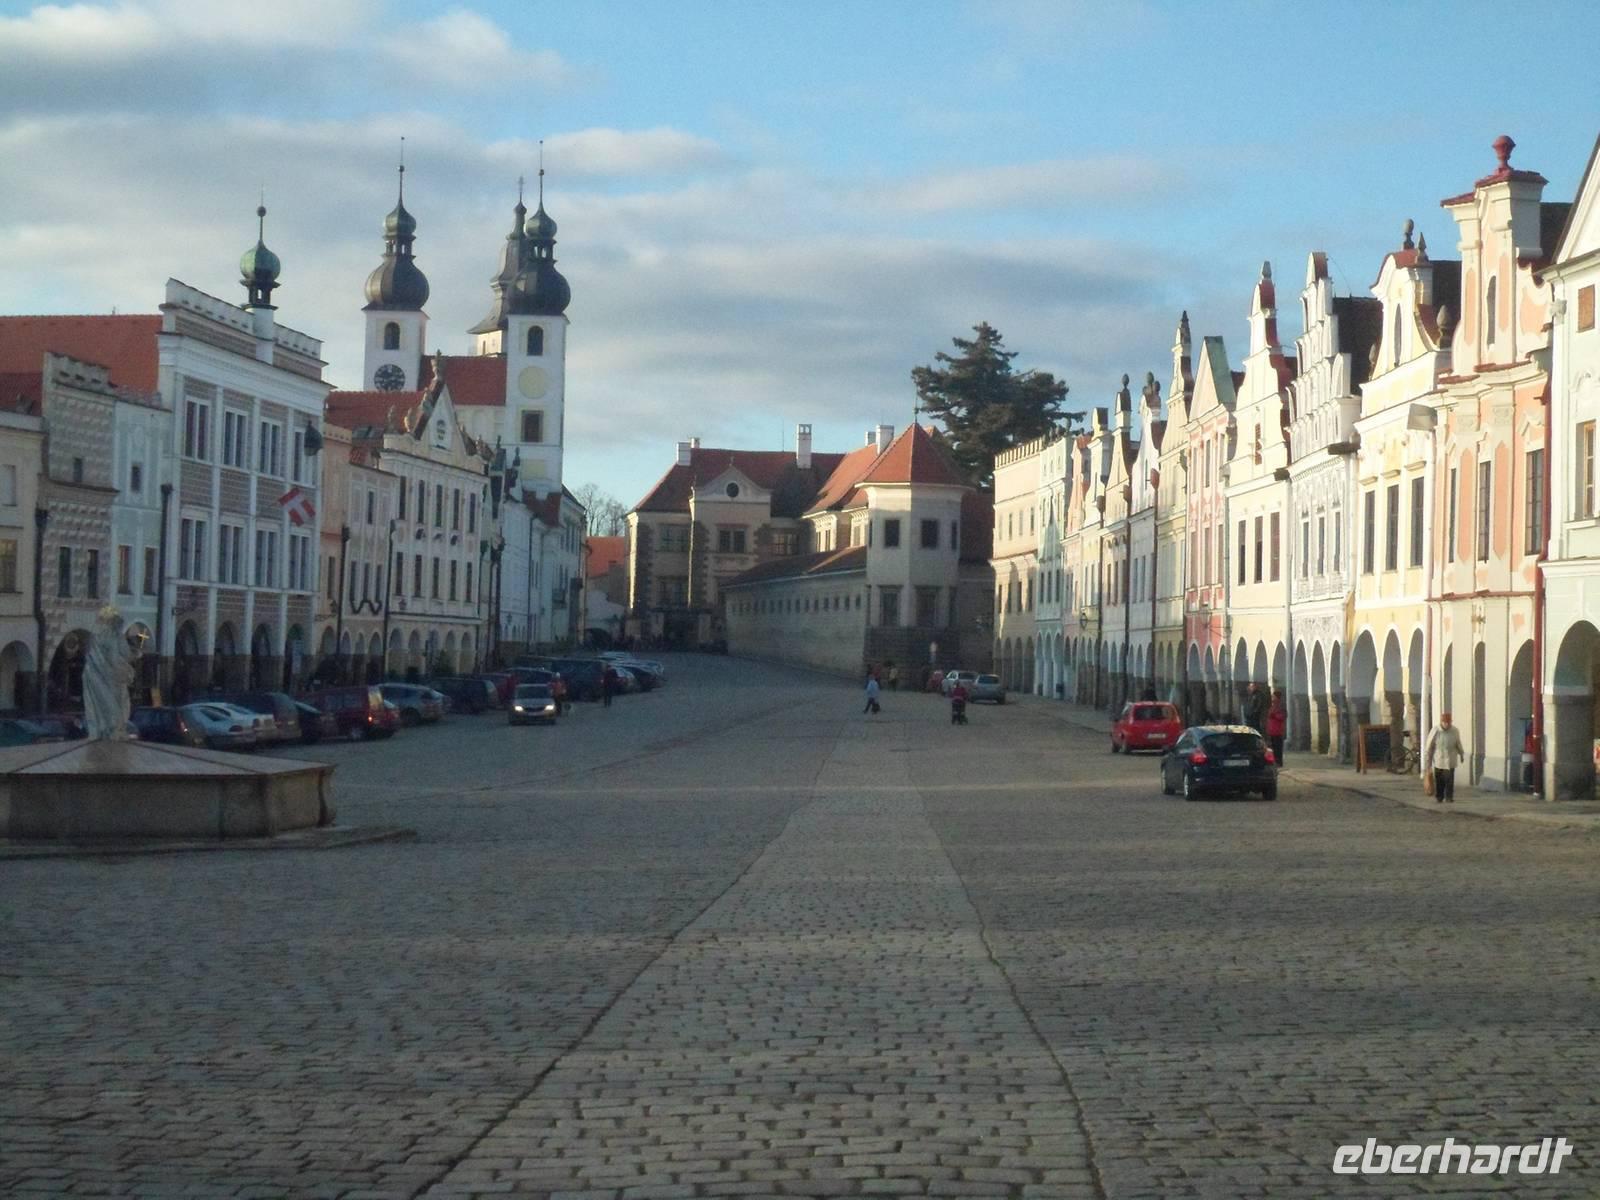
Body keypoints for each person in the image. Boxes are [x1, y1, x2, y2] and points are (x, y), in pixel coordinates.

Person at [1423, 711, 1466, 802]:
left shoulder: (1454, 730)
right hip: (1439, 758)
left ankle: (1449, 797)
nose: (1447, 724)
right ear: (1441, 722)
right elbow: (1429, 746)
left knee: (1449, 779)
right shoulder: (1436, 730)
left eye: (1448, 722)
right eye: (1445, 722)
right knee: (1439, 779)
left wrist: (1461, 754)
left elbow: (1458, 743)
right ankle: (1439, 796)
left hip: (1451, 758)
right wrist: (1428, 760)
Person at [1266, 690, 1287, 764]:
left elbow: (1283, 716)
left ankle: (1279, 761)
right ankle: (1275, 761)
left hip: (1278, 731)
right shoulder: (1272, 706)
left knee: (1278, 747)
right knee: (1273, 747)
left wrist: (1275, 716)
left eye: (1273, 696)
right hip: (1272, 730)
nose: (1272, 698)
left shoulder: (1280, 706)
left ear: (1277, 697)